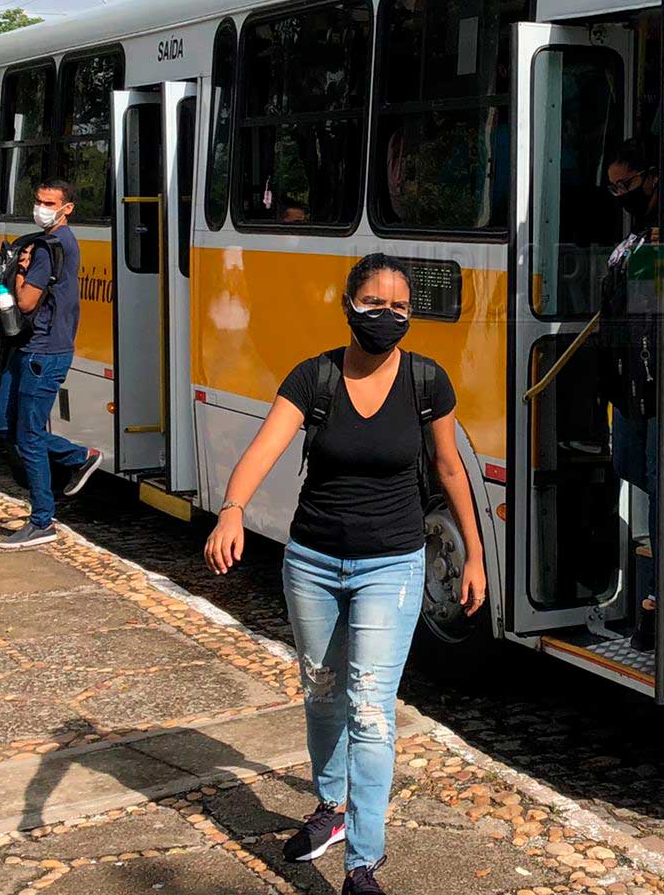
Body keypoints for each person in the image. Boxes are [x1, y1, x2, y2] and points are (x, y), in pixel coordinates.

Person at [204, 254, 485, 895]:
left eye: (400, 306)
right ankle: (330, 808)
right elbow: (265, 446)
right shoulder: (315, 377)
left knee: (370, 707)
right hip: (312, 562)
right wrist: (232, 509)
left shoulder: (427, 382)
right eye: (374, 303)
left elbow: (449, 469)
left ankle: (363, 862)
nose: (387, 315)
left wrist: (474, 552)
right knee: (323, 689)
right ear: (348, 305)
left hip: (393, 564)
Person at [0, 179, 102, 549]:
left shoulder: (51, 248)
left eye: (50, 203)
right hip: (26, 348)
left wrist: (18, 272)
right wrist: (1, 261)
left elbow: (26, 301)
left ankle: (42, 520)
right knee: (5, 426)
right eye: (39, 201)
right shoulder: (43, 241)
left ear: (68, 208)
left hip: (43, 353)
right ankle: (78, 457)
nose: (42, 208)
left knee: (29, 436)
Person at [598, 138, 662, 651]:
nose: (622, 195)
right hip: (629, 376)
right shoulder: (638, 233)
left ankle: (658, 596)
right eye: (614, 187)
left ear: (653, 176)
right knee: (628, 463)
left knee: (661, 481)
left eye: (628, 184)